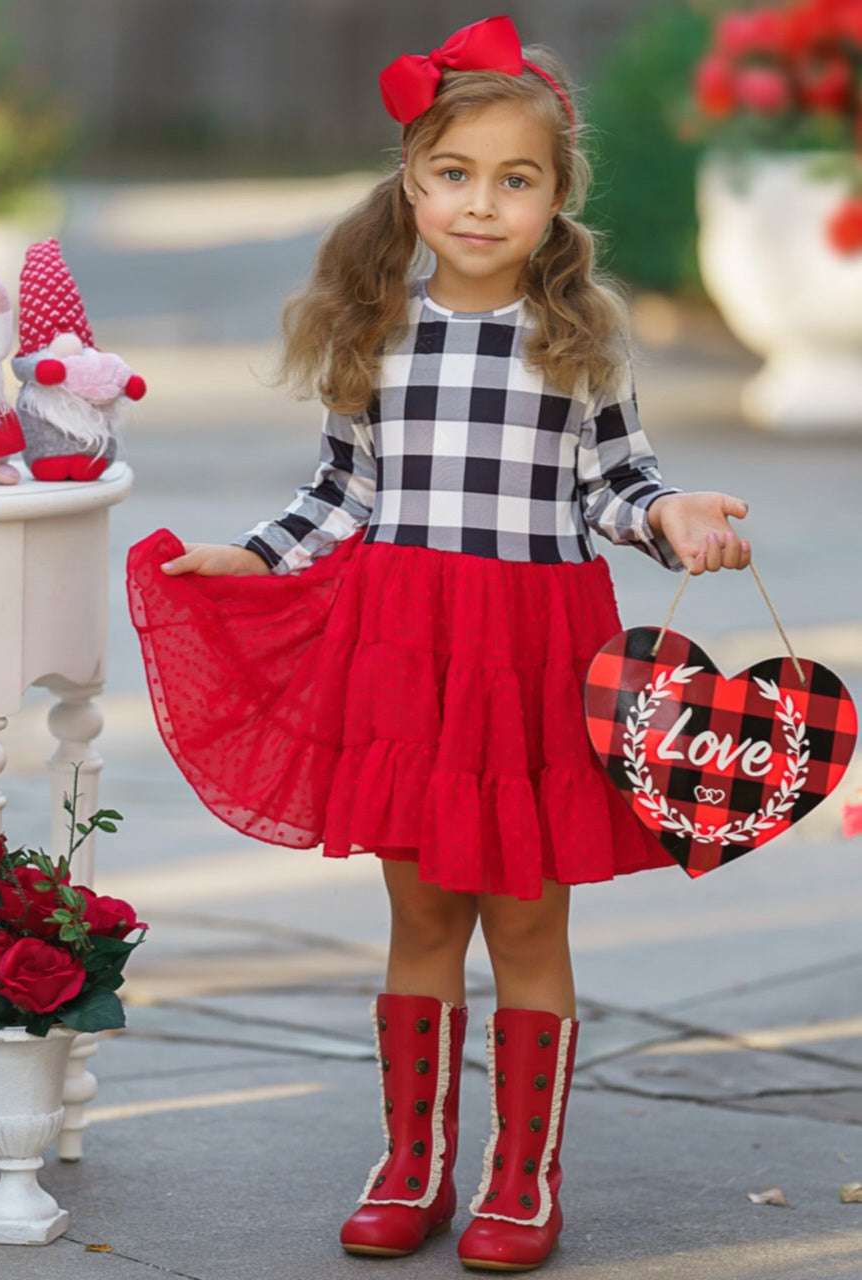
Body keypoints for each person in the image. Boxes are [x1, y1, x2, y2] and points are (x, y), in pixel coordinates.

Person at [126, 16, 750, 1273]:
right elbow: (337, 495)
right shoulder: (375, 332)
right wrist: (248, 556)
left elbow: (616, 485)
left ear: (555, 197)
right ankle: (410, 1163)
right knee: (420, 920)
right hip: (408, 650)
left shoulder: (582, 338)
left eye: (514, 179)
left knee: (527, 922)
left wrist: (670, 513)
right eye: (454, 174)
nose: (481, 203)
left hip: (533, 654)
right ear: (410, 184)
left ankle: (520, 1177)